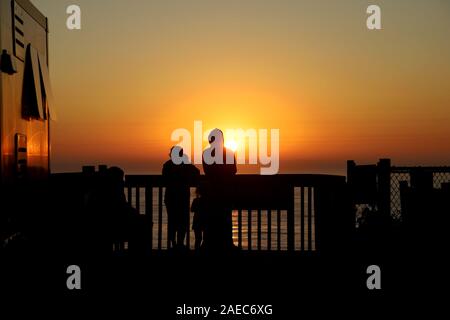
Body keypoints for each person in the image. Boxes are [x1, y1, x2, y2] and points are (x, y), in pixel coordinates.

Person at [202, 129, 237, 251]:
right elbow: (233, 170)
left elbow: (207, 171)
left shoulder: (206, 153)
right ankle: (227, 243)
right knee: (225, 218)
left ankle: (208, 243)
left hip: (211, 190)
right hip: (225, 190)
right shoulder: (230, 153)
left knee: (211, 218)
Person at [163, 146, 200, 249]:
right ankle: (179, 243)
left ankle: (174, 244)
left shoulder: (167, 165)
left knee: (172, 221)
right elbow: (197, 172)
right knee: (182, 221)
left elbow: (164, 178)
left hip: (171, 197)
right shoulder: (185, 165)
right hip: (181, 197)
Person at [191, 185, 207, 250]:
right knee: (203, 238)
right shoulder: (207, 201)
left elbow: (192, 209)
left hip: (197, 221)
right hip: (204, 221)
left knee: (198, 239)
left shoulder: (196, 200)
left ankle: (197, 250)